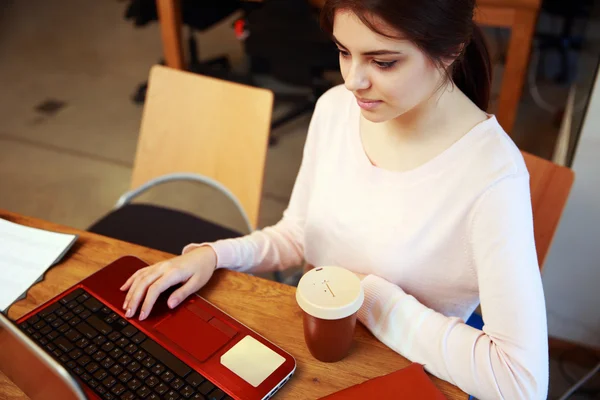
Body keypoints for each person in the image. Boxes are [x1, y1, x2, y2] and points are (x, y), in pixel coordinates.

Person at [120, 0, 549, 398]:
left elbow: (522, 381)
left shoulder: (492, 178)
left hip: (408, 377)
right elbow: (302, 233)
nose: (353, 81)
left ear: (451, 49)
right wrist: (213, 256)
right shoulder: (335, 109)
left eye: (383, 61)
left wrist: (373, 300)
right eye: (344, 51)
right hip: (319, 360)